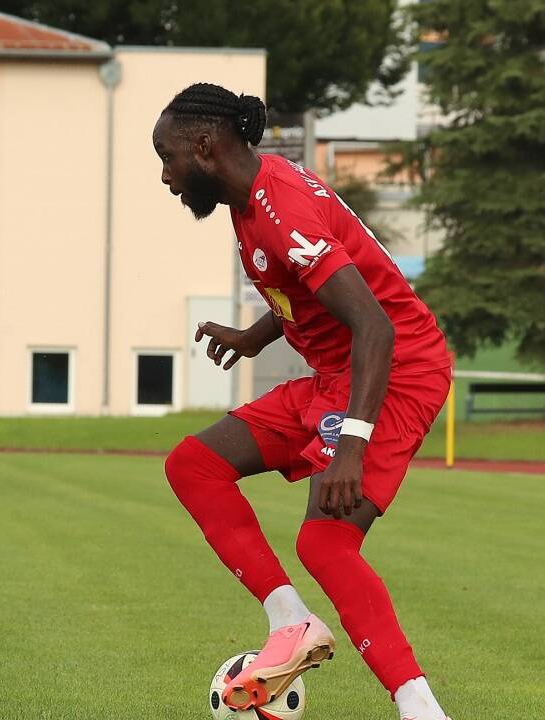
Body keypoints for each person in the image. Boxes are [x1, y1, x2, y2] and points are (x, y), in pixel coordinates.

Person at [152, 83, 453, 720]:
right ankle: (291, 622)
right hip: (338, 374)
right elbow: (304, 282)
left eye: (168, 157)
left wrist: (352, 447)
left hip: (395, 372)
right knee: (194, 465)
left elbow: (375, 327)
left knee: (325, 543)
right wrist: (254, 337)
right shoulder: (253, 198)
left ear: (204, 146)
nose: (166, 175)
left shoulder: (280, 207)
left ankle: (421, 709)